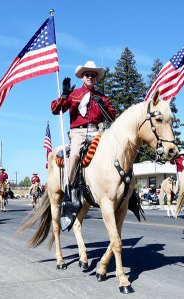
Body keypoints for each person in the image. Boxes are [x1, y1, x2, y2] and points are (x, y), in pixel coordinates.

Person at [50, 60, 116, 229]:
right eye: (87, 74)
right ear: (82, 77)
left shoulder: (102, 97)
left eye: (93, 75)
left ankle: (124, 189)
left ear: (96, 78)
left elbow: (112, 118)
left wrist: (104, 107)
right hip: (78, 131)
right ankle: (69, 189)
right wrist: (64, 96)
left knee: (115, 150)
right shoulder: (74, 94)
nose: (90, 77)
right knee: (74, 155)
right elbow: (56, 110)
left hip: (98, 131)